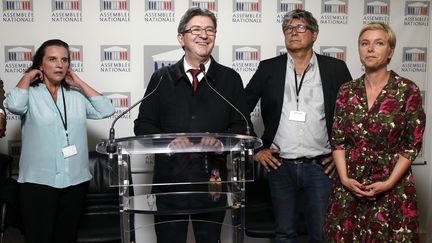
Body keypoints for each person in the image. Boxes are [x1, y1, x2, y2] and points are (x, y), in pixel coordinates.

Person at [134, 7, 250, 243]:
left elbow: (243, 125)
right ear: (181, 38)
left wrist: (220, 140)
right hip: (170, 181)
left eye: (210, 30)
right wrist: (168, 141)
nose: (204, 35)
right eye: (196, 29)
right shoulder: (162, 78)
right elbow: (143, 125)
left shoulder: (229, 78)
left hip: (213, 181)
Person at [245, 9, 352, 242]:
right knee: (284, 234)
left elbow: (352, 117)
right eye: (288, 29)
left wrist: (340, 155)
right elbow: (239, 111)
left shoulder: (336, 69)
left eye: (300, 27)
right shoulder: (268, 68)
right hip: (280, 167)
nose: (293, 32)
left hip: (321, 168)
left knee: (323, 234)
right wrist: (256, 150)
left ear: (314, 34)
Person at [4, 39, 114, 243]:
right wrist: (28, 76)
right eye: (52, 59)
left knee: (66, 238)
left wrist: (79, 82)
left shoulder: (75, 96)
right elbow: (14, 105)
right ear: (41, 64)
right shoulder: (31, 94)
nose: (59, 64)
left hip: (75, 181)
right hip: (38, 183)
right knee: (39, 238)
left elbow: (106, 109)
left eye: (64, 60)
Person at [323, 22, 425, 242]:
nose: (370, 49)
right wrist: (344, 178)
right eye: (364, 43)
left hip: (392, 185)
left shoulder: (408, 90)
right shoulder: (346, 90)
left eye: (379, 43)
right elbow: (338, 140)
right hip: (350, 185)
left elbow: (411, 145)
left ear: (390, 51)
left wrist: (388, 183)